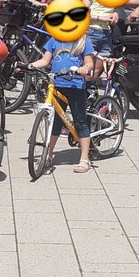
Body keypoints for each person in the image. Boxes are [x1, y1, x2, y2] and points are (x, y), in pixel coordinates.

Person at [27, 30, 95, 173]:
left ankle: (84, 158)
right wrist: (29, 65)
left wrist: (85, 68)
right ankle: (48, 154)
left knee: (80, 121)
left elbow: (89, 62)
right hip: (58, 85)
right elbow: (45, 60)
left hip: (76, 86)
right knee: (56, 122)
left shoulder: (82, 41)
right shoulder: (54, 40)